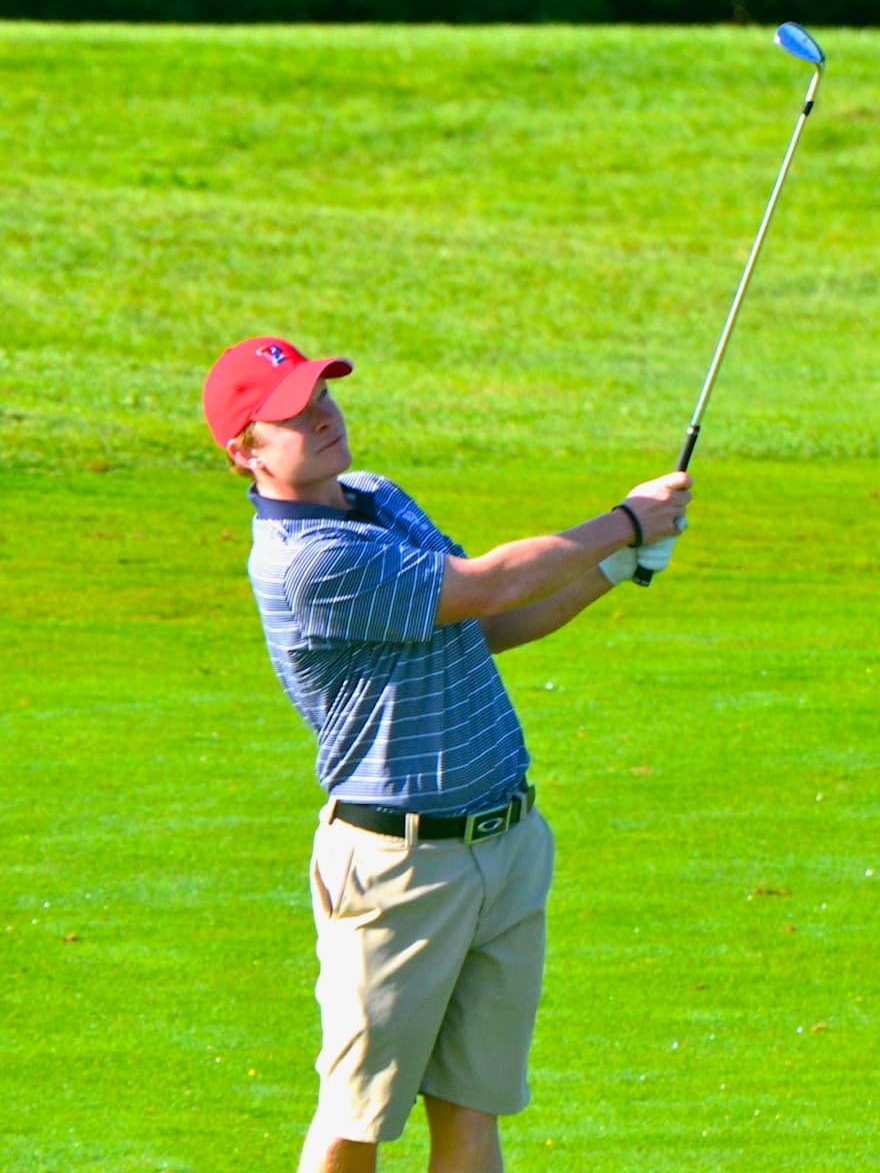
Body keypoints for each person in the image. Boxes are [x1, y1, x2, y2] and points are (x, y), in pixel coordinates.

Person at [202, 335, 692, 1173]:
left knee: (472, 1110)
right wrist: (623, 522)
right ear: (245, 452)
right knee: (357, 1118)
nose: (322, 418)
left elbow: (484, 622)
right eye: (292, 416)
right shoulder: (307, 563)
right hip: (399, 867)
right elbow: (489, 581)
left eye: (323, 396)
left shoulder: (376, 496)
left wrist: (613, 568)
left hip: (505, 843)